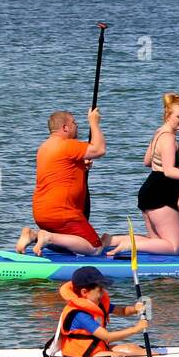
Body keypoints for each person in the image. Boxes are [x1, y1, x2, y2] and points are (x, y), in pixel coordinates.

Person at [106, 93, 179, 257]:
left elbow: (147, 161)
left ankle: (114, 240)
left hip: (150, 189)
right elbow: (169, 171)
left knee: (159, 243)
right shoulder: (168, 138)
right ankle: (128, 244)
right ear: (168, 115)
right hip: (161, 191)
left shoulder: (159, 133)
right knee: (174, 248)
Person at [17, 109, 111, 256]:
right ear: (65, 128)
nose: (77, 126)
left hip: (41, 212)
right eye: (74, 123)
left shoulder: (44, 147)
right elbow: (99, 149)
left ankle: (34, 236)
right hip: (62, 213)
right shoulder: (67, 145)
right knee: (95, 248)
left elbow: (61, 169)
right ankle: (47, 237)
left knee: (67, 246)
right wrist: (94, 123)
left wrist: (80, 165)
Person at [48, 266, 150, 357]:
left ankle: (156, 355)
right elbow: (107, 336)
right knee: (119, 356)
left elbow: (123, 311)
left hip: (97, 348)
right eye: (100, 290)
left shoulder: (98, 304)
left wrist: (135, 309)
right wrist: (135, 329)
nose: (103, 293)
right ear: (84, 292)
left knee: (131, 348)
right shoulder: (80, 315)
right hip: (82, 354)